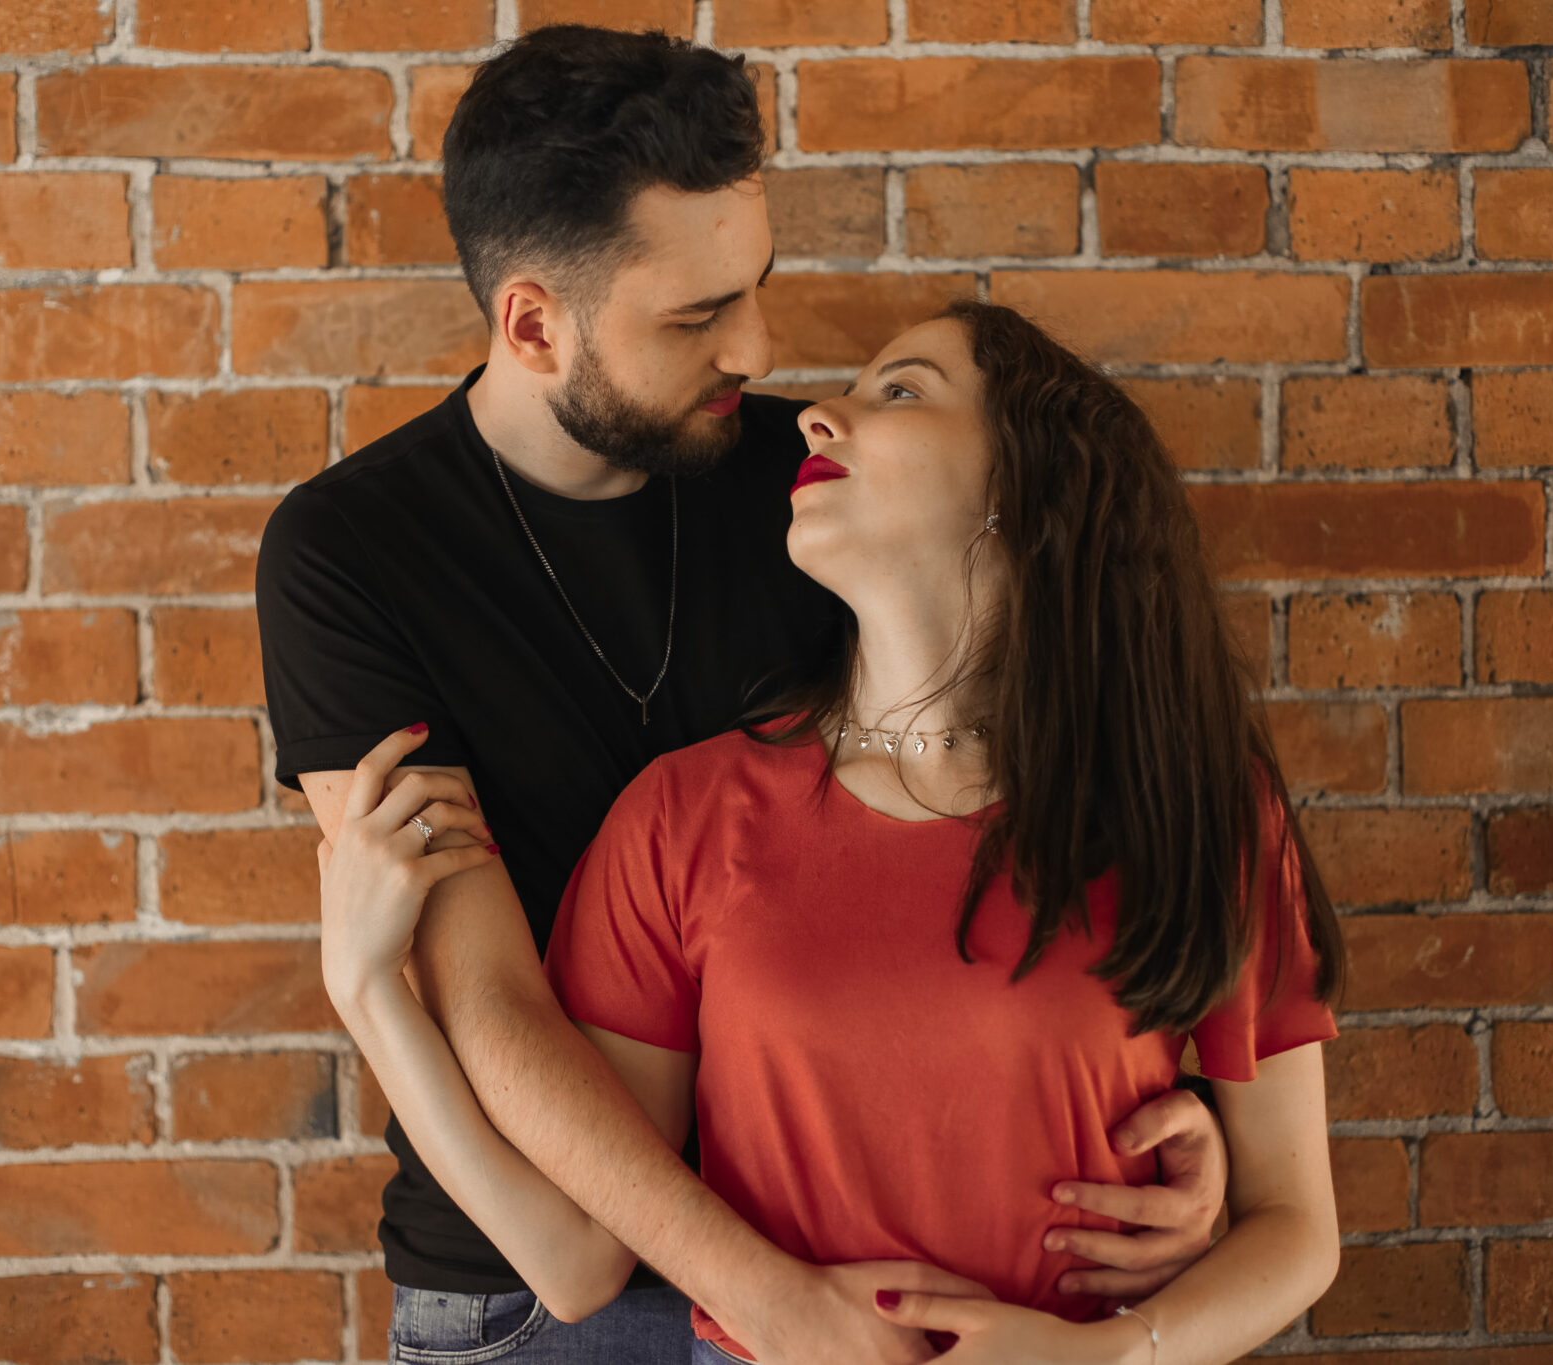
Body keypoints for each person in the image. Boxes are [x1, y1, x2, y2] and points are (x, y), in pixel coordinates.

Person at [257, 24, 1229, 1364]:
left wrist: (1178, 1119)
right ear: (533, 323)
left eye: (756, 286)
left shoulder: (810, 483)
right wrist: (762, 1298)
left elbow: (1021, 782)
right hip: (532, 1265)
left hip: (840, 1228)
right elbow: (485, 991)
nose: (757, 349)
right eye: (696, 316)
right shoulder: (352, 551)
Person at [317, 299, 1346, 1364]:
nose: (815, 414)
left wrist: (1105, 1355)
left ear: (1029, 482)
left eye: (899, 391)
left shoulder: (1194, 803)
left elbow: (1293, 1226)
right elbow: (571, 1253)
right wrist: (370, 992)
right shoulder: (683, 819)